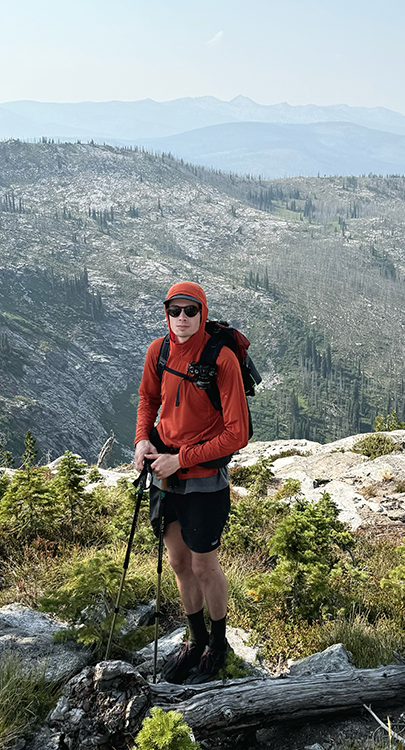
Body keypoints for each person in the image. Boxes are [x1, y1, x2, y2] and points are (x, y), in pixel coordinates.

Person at [134, 281, 249, 683]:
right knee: (179, 562)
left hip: (202, 479)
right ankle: (195, 639)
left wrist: (179, 459)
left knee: (203, 565)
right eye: (174, 310)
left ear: (202, 313)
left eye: (191, 311)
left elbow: (237, 434)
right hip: (164, 473)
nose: (182, 318)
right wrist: (142, 440)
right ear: (166, 312)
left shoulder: (222, 361)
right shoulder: (159, 350)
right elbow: (148, 399)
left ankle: (218, 644)